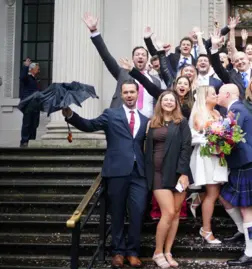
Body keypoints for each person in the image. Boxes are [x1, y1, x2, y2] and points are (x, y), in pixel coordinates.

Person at [62, 79, 149, 268]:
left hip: (139, 174)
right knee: (116, 213)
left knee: (138, 212)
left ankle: (133, 252)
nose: (129, 95)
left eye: (132, 92)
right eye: (125, 92)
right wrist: (70, 115)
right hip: (116, 171)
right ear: (121, 94)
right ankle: (117, 251)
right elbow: (89, 125)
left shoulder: (146, 119)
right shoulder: (111, 114)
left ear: (137, 93)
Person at [216, 84, 252, 266]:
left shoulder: (236, 109)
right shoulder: (235, 109)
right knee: (225, 197)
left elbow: (230, 136)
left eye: (219, 93)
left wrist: (215, 140)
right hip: (241, 164)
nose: (217, 95)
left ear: (228, 94)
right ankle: (242, 229)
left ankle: (250, 254)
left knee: (248, 209)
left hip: (247, 163)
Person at [144, 91, 193, 268]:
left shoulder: (181, 122)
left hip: (177, 173)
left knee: (177, 213)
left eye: (172, 100)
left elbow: (186, 148)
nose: (169, 102)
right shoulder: (152, 123)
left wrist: (183, 173)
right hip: (157, 173)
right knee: (169, 212)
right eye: (166, 100)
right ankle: (157, 252)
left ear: (176, 104)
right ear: (160, 102)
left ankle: (168, 251)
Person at [83, 13, 164, 117]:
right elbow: (106, 56)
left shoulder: (155, 81)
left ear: (147, 59)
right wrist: (94, 31)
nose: (140, 57)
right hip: (122, 121)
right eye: (137, 54)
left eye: (143, 55)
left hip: (147, 124)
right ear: (132, 58)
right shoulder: (122, 73)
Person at [189, 85, 227, 244]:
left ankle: (198, 197)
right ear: (205, 97)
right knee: (213, 193)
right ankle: (206, 230)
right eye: (213, 94)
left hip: (218, 155)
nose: (216, 95)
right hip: (206, 155)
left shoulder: (217, 113)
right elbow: (200, 135)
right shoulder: (199, 114)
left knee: (216, 190)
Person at [19, 58, 41, 147]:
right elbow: (22, 77)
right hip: (28, 105)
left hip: (36, 105)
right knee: (27, 123)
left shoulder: (35, 80)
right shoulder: (27, 78)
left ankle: (32, 141)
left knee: (34, 124)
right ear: (32, 69)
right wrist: (26, 66)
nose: (39, 70)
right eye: (38, 68)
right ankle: (24, 141)